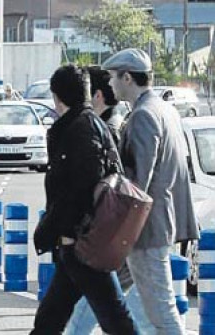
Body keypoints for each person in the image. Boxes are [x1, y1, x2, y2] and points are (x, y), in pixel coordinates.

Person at [30, 64, 135, 334]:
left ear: (57, 97)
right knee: (48, 321)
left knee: (116, 321)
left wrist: (53, 230)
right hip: (79, 244)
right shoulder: (89, 124)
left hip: (83, 243)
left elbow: (78, 191)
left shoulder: (80, 130)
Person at [102, 48, 198, 335]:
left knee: (162, 314)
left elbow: (136, 185)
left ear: (128, 78)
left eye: (112, 78)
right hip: (155, 224)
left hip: (143, 230)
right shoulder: (164, 110)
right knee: (104, 296)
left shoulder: (143, 115)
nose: (109, 85)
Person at [63, 66, 151, 335]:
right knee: (110, 308)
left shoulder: (106, 129)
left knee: (109, 310)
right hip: (117, 232)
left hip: (111, 232)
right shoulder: (110, 125)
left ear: (97, 96)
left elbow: (117, 186)